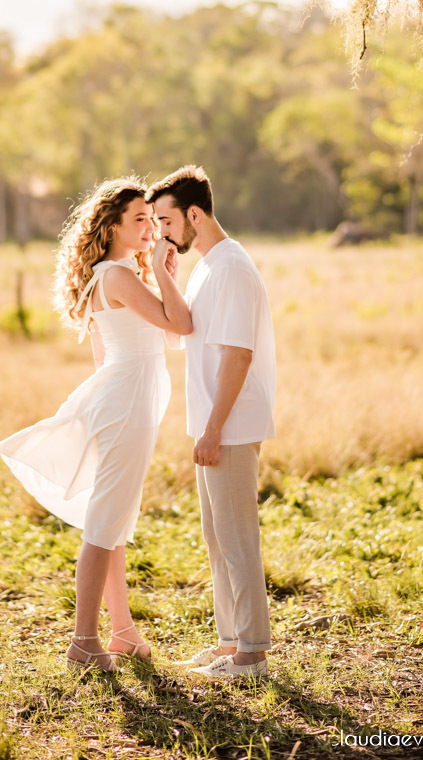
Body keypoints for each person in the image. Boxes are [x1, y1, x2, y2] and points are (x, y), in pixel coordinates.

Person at [0, 177, 192, 672]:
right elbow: (181, 325)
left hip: (129, 397)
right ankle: (84, 641)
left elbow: (168, 343)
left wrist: (164, 273)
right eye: (139, 220)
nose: (151, 228)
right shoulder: (118, 276)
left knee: (115, 520)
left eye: (152, 218)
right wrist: (167, 275)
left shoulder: (124, 274)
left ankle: (122, 632)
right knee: (105, 522)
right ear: (112, 227)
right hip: (125, 402)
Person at [147, 165, 276, 682]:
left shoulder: (232, 269)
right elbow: (183, 333)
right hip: (211, 423)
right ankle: (230, 642)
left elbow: (239, 357)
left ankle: (252, 655)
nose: (161, 231)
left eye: (165, 220)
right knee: (217, 537)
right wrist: (162, 272)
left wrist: (215, 429)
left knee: (238, 537)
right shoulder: (205, 265)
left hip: (231, 426)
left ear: (194, 214)